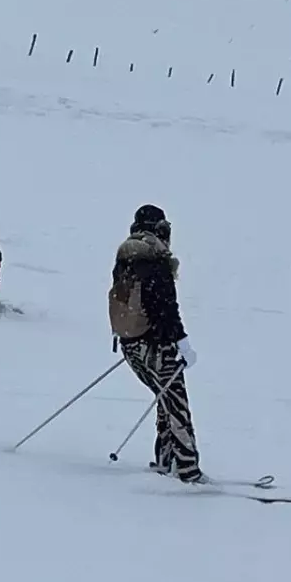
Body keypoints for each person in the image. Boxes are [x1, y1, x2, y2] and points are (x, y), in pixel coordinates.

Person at [108, 204, 203, 484]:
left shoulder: (125, 257)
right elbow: (165, 308)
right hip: (155, 344)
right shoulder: (155, 260)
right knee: (176, 404)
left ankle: (167, 460)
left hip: (128, 343)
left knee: (164, 397)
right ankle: (187, 470)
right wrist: (181, 342)